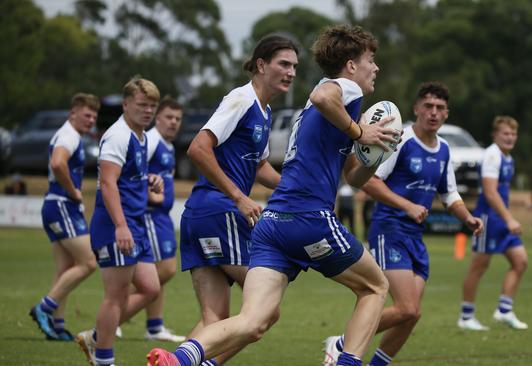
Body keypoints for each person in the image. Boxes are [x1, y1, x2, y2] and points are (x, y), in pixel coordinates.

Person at [146, 24, 399, 366]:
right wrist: (359, 131)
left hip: (272, 225)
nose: (376, 68)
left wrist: (375, 153)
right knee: (376, 287)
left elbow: (353, 178)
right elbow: (325, 96)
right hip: (309, 219)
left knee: (253, 321)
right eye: (371, 59)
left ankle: (179, 359)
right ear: (351, 65)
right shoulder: (341, 89)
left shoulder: (316, 113)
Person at [322, 82, 483, 366]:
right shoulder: (401, 139)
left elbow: (449, 193)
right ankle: (341, 343)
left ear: (447, 114)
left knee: (412, 313)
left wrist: (467, 218)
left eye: (440, 108)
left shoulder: (444, 149)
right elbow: (369, 181)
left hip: (415, 237)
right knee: (406, 307)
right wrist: (406, 205)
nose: (433, 113)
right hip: (389, 229)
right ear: (416, 109)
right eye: (428, 106)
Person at [176, 34, 298, 365]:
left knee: (214, 321)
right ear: (261, 64)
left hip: (203, 214)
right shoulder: (240, 99)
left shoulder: (264, 110)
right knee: (265, 310)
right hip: (220, 211)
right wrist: (238, 197)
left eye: (294, 67)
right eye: (283, 64)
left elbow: (258, 166)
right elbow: (198, 148)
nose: (291, 72)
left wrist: (296, 187)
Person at [76, 77, 164, 366]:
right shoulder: (118, 135)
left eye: (152, 106)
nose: (148, 111)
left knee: (151, 288)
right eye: (142, 105)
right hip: (117, 225)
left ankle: (95, 336)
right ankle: (103, 358)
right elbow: (108, 184)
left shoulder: (140, 136)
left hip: (134, 224)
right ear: (126, 104)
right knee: (115, 296)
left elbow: (126, 178)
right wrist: (121, 226)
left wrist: (148, 179)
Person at [30, 93, 100, 341]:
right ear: (73, 113)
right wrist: (74, 192)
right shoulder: (68, 135)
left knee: (65, 269)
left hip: (55, 204)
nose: (91, 120)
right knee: (90, 262)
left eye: (94, 116)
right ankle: (45, 308)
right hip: (62, 204)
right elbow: (58, 164)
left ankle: (56, 325)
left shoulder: (70, 134)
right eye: (86, 114)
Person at [457, 116, 529, 331]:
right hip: (487, 220)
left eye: (513, 134)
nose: (510, 138)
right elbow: (489, 192)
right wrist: (509, 218)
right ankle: (466, 316)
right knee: (479, 267)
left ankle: (504, 310)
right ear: (495, 135)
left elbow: (502, 193)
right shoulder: (491, 155)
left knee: (520, 261)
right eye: (505, 133)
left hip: (502, 220)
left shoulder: (508, 157)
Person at [139, 96, 185, 342]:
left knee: (159, 272)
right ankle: (121, 311)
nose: (173, 122)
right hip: (151, 216)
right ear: (157, 118)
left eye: (178, 119)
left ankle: (155, 326)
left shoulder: (167, 145)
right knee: (164, 270)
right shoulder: (152, 141)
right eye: (169, 117)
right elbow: (133, 171)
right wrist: (150, 196)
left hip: (162, 217)